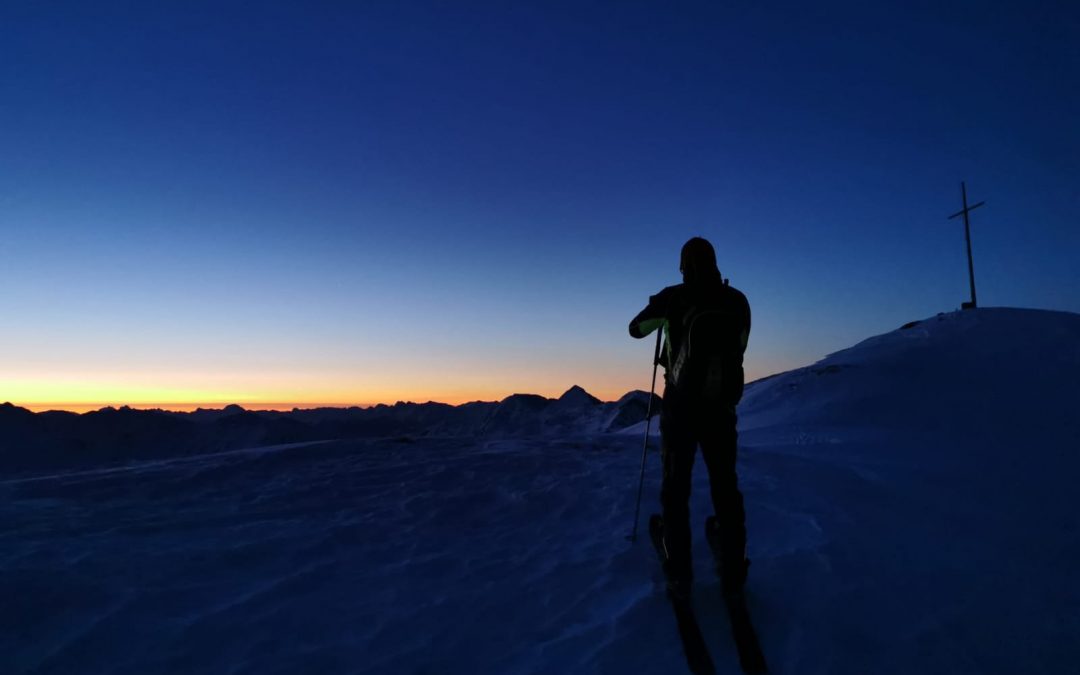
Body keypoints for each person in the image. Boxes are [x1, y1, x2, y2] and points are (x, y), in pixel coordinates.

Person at [629, 237, 751, 599]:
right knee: (725, 484)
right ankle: (733, 566)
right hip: (721, 406)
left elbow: (635, 329)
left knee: (676, 484)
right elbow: (741, 344)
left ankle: (679, 570)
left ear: (683, 265)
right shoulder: (736, 300)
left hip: (680, 405)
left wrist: (661, 310)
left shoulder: (673, 296)